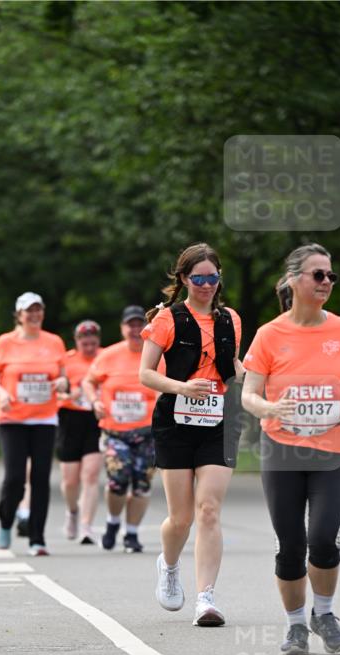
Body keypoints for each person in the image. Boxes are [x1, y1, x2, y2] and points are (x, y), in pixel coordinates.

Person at [241, 243, 340, 654]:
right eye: (318, 274)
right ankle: (296, 625)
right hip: (282, 450)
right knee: (291, 545)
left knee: (323, 539)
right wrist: (269, 408)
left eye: (331, 275)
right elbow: (248, 394)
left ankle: (325, 614)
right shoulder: (269, 334)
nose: (326, 282)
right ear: (294, 279)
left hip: (334, 450)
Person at [139, 243, 244, 626]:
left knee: (209, 510)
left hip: (219, 421)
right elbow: (145, 373)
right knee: (181, 518)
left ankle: (205, 599)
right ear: (184, 279)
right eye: (198, 279)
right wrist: (182, 387)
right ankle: (168, 566)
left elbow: (232, 363)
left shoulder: (231, 319)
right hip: (175, 422)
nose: (206, 285)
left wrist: (250, 379)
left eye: (212, 277)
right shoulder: (166, 319)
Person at [0, 292, 67, 556]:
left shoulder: (54, 342)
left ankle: (37, 539)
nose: (34, 315)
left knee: (40, 478)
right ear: (19, 315)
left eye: (38, 309)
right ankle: (6, 523)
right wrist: (1, 394)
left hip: (44, 418)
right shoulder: (4, 343)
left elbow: (63, 377)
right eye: (29, 310)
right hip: (12, 418)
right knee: (15, 478)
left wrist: (62, 383)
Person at [82, 305, 159, 553]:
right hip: (115, 432)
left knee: (141, 484)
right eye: (130, 325)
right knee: (118, 479)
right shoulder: (108, 356)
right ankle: (113, 522)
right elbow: (88, 381)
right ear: (122, 328)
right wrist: (94, 401)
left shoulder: (158, 354)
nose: (135, 330)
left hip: (148, 432)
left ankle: (132, 533)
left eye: (140, 325)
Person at [57, 320, 104, 544]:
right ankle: (72, 512)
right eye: (85, 344)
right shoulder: (66, 360)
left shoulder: (106, 357)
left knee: (91, 475)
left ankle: (86, 526)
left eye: (93, 343)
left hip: (96, 419)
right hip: (70, 419)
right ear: (77, 342)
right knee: (70, 480)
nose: (89, 348)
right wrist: (69, 395)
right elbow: (54, 391)